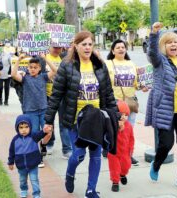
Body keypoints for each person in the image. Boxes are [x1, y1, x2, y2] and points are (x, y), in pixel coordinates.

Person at [43, 31, 118, 197]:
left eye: (90, 44)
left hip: (97, 119)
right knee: (78, 154)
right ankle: (70, 174)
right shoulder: (66, 66)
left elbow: (108, 93)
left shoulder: (99, 65)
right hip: (74, 119)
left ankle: (91, 189)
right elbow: (56, 96)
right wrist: (48, 120)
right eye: (84, 44)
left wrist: (116, 115)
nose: (87, 47)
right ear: (75, 46)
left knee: (96, 155)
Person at [146, 22, 177, 191]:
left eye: (175, 42)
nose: (173, 45)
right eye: (169, 42)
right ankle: (156, 164)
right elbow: (152, 53)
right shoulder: (160, 61)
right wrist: (154, 34)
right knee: (166, 144)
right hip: (166, 109)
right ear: (164, 45)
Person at [105, 39, 148, 166]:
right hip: (115, 102)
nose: (121, 49)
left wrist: (143, 87)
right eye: (117, 47)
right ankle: (112, 150)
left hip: (130, 102)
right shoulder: (107, 64)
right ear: (112, 50)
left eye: (123, 47)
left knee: (129, 130)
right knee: (116, 129)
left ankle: (128, 154)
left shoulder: (132, 64)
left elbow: (138, 83)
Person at [11, 53, 57, 168]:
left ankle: (43, 144)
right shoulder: (25, 78)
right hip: (30, 111)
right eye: (30, 67)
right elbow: (13, 74)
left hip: (43, 109)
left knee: (49, 131)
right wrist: (19, 59)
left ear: (40, 68)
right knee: (34, 134)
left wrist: (45, 58)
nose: (32, 69)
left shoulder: (43, 77)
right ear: (27, 68)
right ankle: (39, 157)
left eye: (35, 67)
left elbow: (55, 70)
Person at [8, 114, 52, 198]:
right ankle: (24, 190)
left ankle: (36, 194)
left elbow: (41, 134)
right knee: (22, 180)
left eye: (26, 127)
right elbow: (11, 152)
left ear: (30, 127)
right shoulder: (15, 140)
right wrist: (10, 162)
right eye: (21, 127)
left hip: (33, 165)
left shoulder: (33, 136)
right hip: (21, 166)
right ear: (17, 128)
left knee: (34, 180)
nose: (24, 130)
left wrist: (45, 131)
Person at [44, 46, 72, 159]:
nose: (56, 49)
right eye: (54, 47)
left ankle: (66, 149)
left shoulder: (65, 59)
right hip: (46, 95)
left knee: (63, 123)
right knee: (48, 122)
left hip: (62, 96)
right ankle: (49, 143)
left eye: (59, 47)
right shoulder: (43, 58)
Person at [107, 100, 134, 192]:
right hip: (114, 151)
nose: (123, 117)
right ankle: (115, 182)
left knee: (126, 166)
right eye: (121, 114)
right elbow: (108, 136)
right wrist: (117, 128)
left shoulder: (129, 126)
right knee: (114, 167)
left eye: (126, 115)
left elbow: (131, 139)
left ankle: (122, 174)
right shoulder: (112, 125)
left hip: (125, 151)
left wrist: (131, 150)